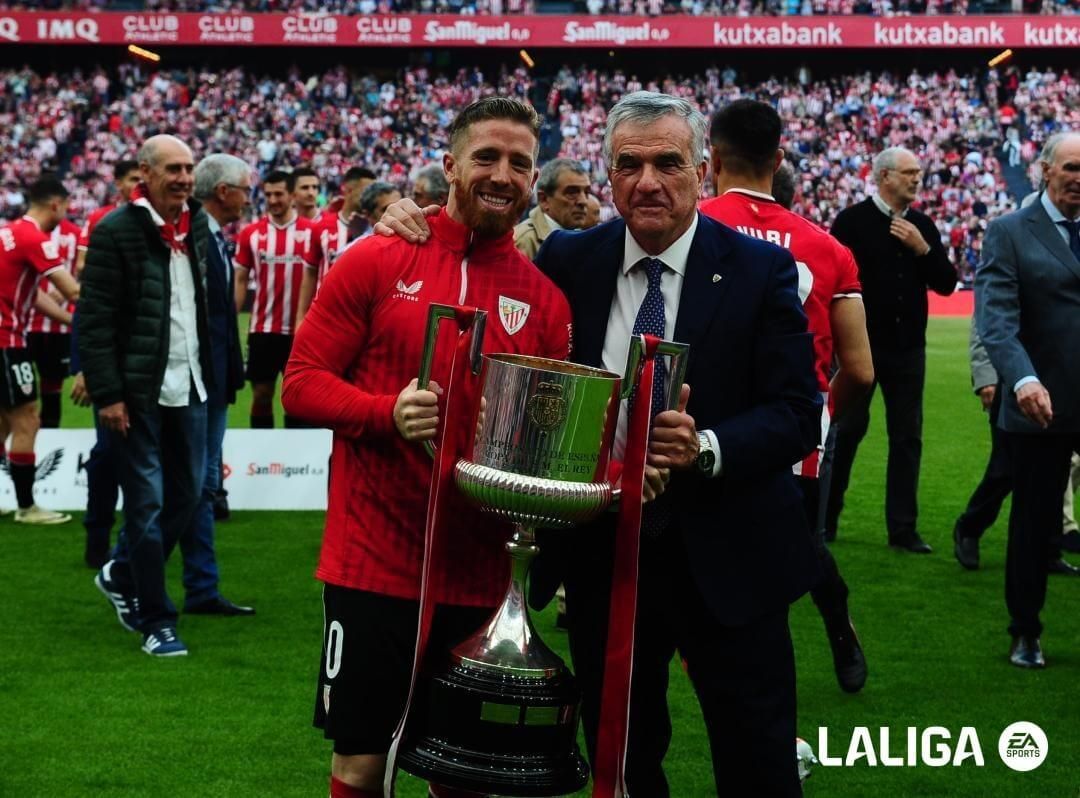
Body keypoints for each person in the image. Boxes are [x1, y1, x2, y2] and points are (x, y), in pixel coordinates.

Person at [382, 92, 822, 795]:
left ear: (701, 172)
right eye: (630, 164)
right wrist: (409, 219)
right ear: (608, 177)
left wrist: (704, 446)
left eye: (668, 163)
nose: (649, 181)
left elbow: (800, 411)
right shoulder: (567, 260)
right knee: (620, 758)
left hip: (732, 557)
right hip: (603, 559)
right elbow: (472, 250)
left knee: (758, 757)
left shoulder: (757, 268)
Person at [280, 97, 574, 798]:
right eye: (486, 157)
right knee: (360, 764)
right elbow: (301, 384)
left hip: (481, 578)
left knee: (463, 773)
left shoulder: (546, 300)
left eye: (520, 163)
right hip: (375, 565)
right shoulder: (375, 261)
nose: (503, 175)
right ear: (449, 166)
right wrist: (386, 412)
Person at [699, 99, 875, 694]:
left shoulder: (684, 225)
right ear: (779, 160)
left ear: (710, 160)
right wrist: (820, 416)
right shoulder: (827, 248)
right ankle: (833, 630)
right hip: (793, 436)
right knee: (794, 549)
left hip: (699, 429)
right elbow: (862, 370)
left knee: (696, 551)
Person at [80, 134, 214, 658]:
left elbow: (202, 305)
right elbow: (94, 321)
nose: (183, 178)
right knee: (147, 504)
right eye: (173, 169)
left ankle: (121, 572)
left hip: (192, 385)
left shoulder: (196, 222)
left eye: (189, 168)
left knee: (187, 496)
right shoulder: (115, 230)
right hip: (139, 394)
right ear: (145, 172)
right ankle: (157, 620)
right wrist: (109, 394)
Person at [976, 131, 1080, 669]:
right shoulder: (1010, 232)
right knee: (1034, 521)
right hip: (1039, 403)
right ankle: (1026, 631)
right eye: (1070, 168)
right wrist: (1022, 380)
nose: (1078, 179)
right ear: (1044, 170)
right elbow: (995, 320)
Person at [826, 146, 957, 553]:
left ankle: (903, 530)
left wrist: (923, 248)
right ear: (884, 177)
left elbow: (947, 284)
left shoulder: (922, 225)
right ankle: (825, 518)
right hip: (859, 347)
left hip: (907, 350)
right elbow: (834, 283)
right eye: (909, 172)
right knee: (844, 433)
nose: (918, 178)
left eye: (919, 172)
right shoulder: (851, 222)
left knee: (907, 438)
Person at [183, 153, 256, 617]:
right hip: (196, 385)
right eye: (245, 189)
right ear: (224, 191)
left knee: (199, 487)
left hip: (211, 382)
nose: (250, 198)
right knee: (190, 488)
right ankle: (126, 571)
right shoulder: (194, 240)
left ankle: (202, 587)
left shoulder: (213, 239)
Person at [952, 319, 1079, 575]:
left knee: (1057, 468)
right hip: (1013, 385)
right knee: (1005, 469)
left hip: (1063, 382)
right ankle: (970, 527)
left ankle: (1049, 551)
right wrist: (986, 376)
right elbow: (987, 321)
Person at [0, 174, 80, 524]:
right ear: (55, 204)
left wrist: (71, 322)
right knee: (28, 415)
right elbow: (72, 289)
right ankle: (27, 506)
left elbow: (36, 296)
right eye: (66, 206)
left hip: (5, 339)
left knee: (3, 423)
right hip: (7, 341)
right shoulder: (36, 237)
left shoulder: (10, 232)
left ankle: (23, 503)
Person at [234, 170, 318, 429]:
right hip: (263, 329)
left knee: (299, 397)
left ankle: (297, 460)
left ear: (292, 195)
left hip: (301, 330)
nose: (273, 199)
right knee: (261, 394)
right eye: (268, 194)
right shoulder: (251, 233)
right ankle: (263, 455)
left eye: (278, 193)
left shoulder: (311, 232)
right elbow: (240, 280)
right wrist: (231, 320)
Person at [296, 166, 373, 328]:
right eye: (366, 191)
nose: (371, 197)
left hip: (360, 321)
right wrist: (300, 319)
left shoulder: (376, 229)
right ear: (348, 190)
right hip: (323, 319)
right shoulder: (321, 228)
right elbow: (310, 275)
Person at [25, 202, 79, 429]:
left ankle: (49, 438)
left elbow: (86, 270)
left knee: (52, 389)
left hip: (59, 329)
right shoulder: (22, 234)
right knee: (21, 395)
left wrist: (70, 286)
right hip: (25, 327)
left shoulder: (75, 234)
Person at [512, 158, 590, 259]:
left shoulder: (582, 237)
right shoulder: (524, 241)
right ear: (544, 199)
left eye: (587, 192)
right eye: (571, 193)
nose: (583, 201)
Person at [75, 159, 141, 276]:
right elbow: (81, 264)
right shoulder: (98, 217)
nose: (140, 185)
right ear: (118, 184)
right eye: (134, 179)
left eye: (144, 181)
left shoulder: (158, 217)